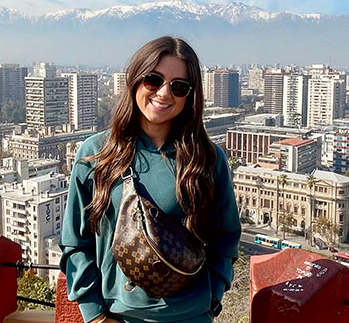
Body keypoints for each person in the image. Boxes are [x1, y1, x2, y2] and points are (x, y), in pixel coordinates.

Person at [60, 36, 242, 323]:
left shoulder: (207, 159)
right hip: (117, 316)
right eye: (153, 80)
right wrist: (94, 315)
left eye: (179, 86)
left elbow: (226, 238)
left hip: (191, 316)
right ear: (135, 80)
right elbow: (75, 242)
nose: (164, 93)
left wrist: (212, 297)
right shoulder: (96, 154)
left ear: (190, 96)